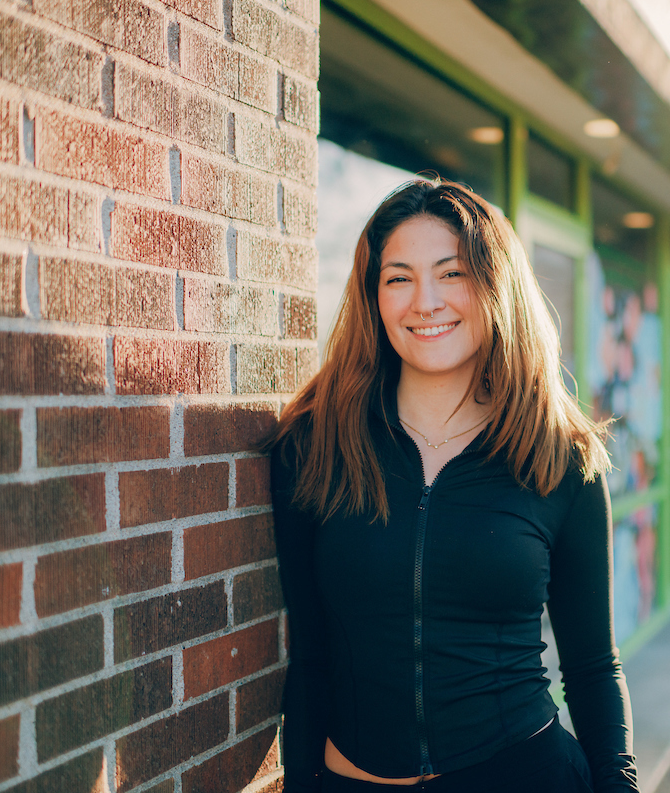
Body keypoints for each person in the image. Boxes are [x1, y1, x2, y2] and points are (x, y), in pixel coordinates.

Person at [268, 178, 639, 793]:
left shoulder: (559, 460)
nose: (425, 301)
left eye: (452, 273)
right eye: (398, 278)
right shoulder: (315, 446)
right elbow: (309, 655)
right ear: (372, 297)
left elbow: (593, 666)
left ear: (495, 288)